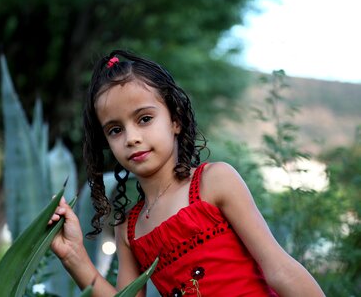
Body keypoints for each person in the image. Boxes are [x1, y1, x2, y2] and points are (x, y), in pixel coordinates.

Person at [49, 50, 324, 296]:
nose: (131, 137)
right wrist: (74, 255)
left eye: (144, 119)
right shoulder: (129, 230)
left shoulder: (214, 182)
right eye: (115, 129)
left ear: (175, 120)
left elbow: (279, 270)